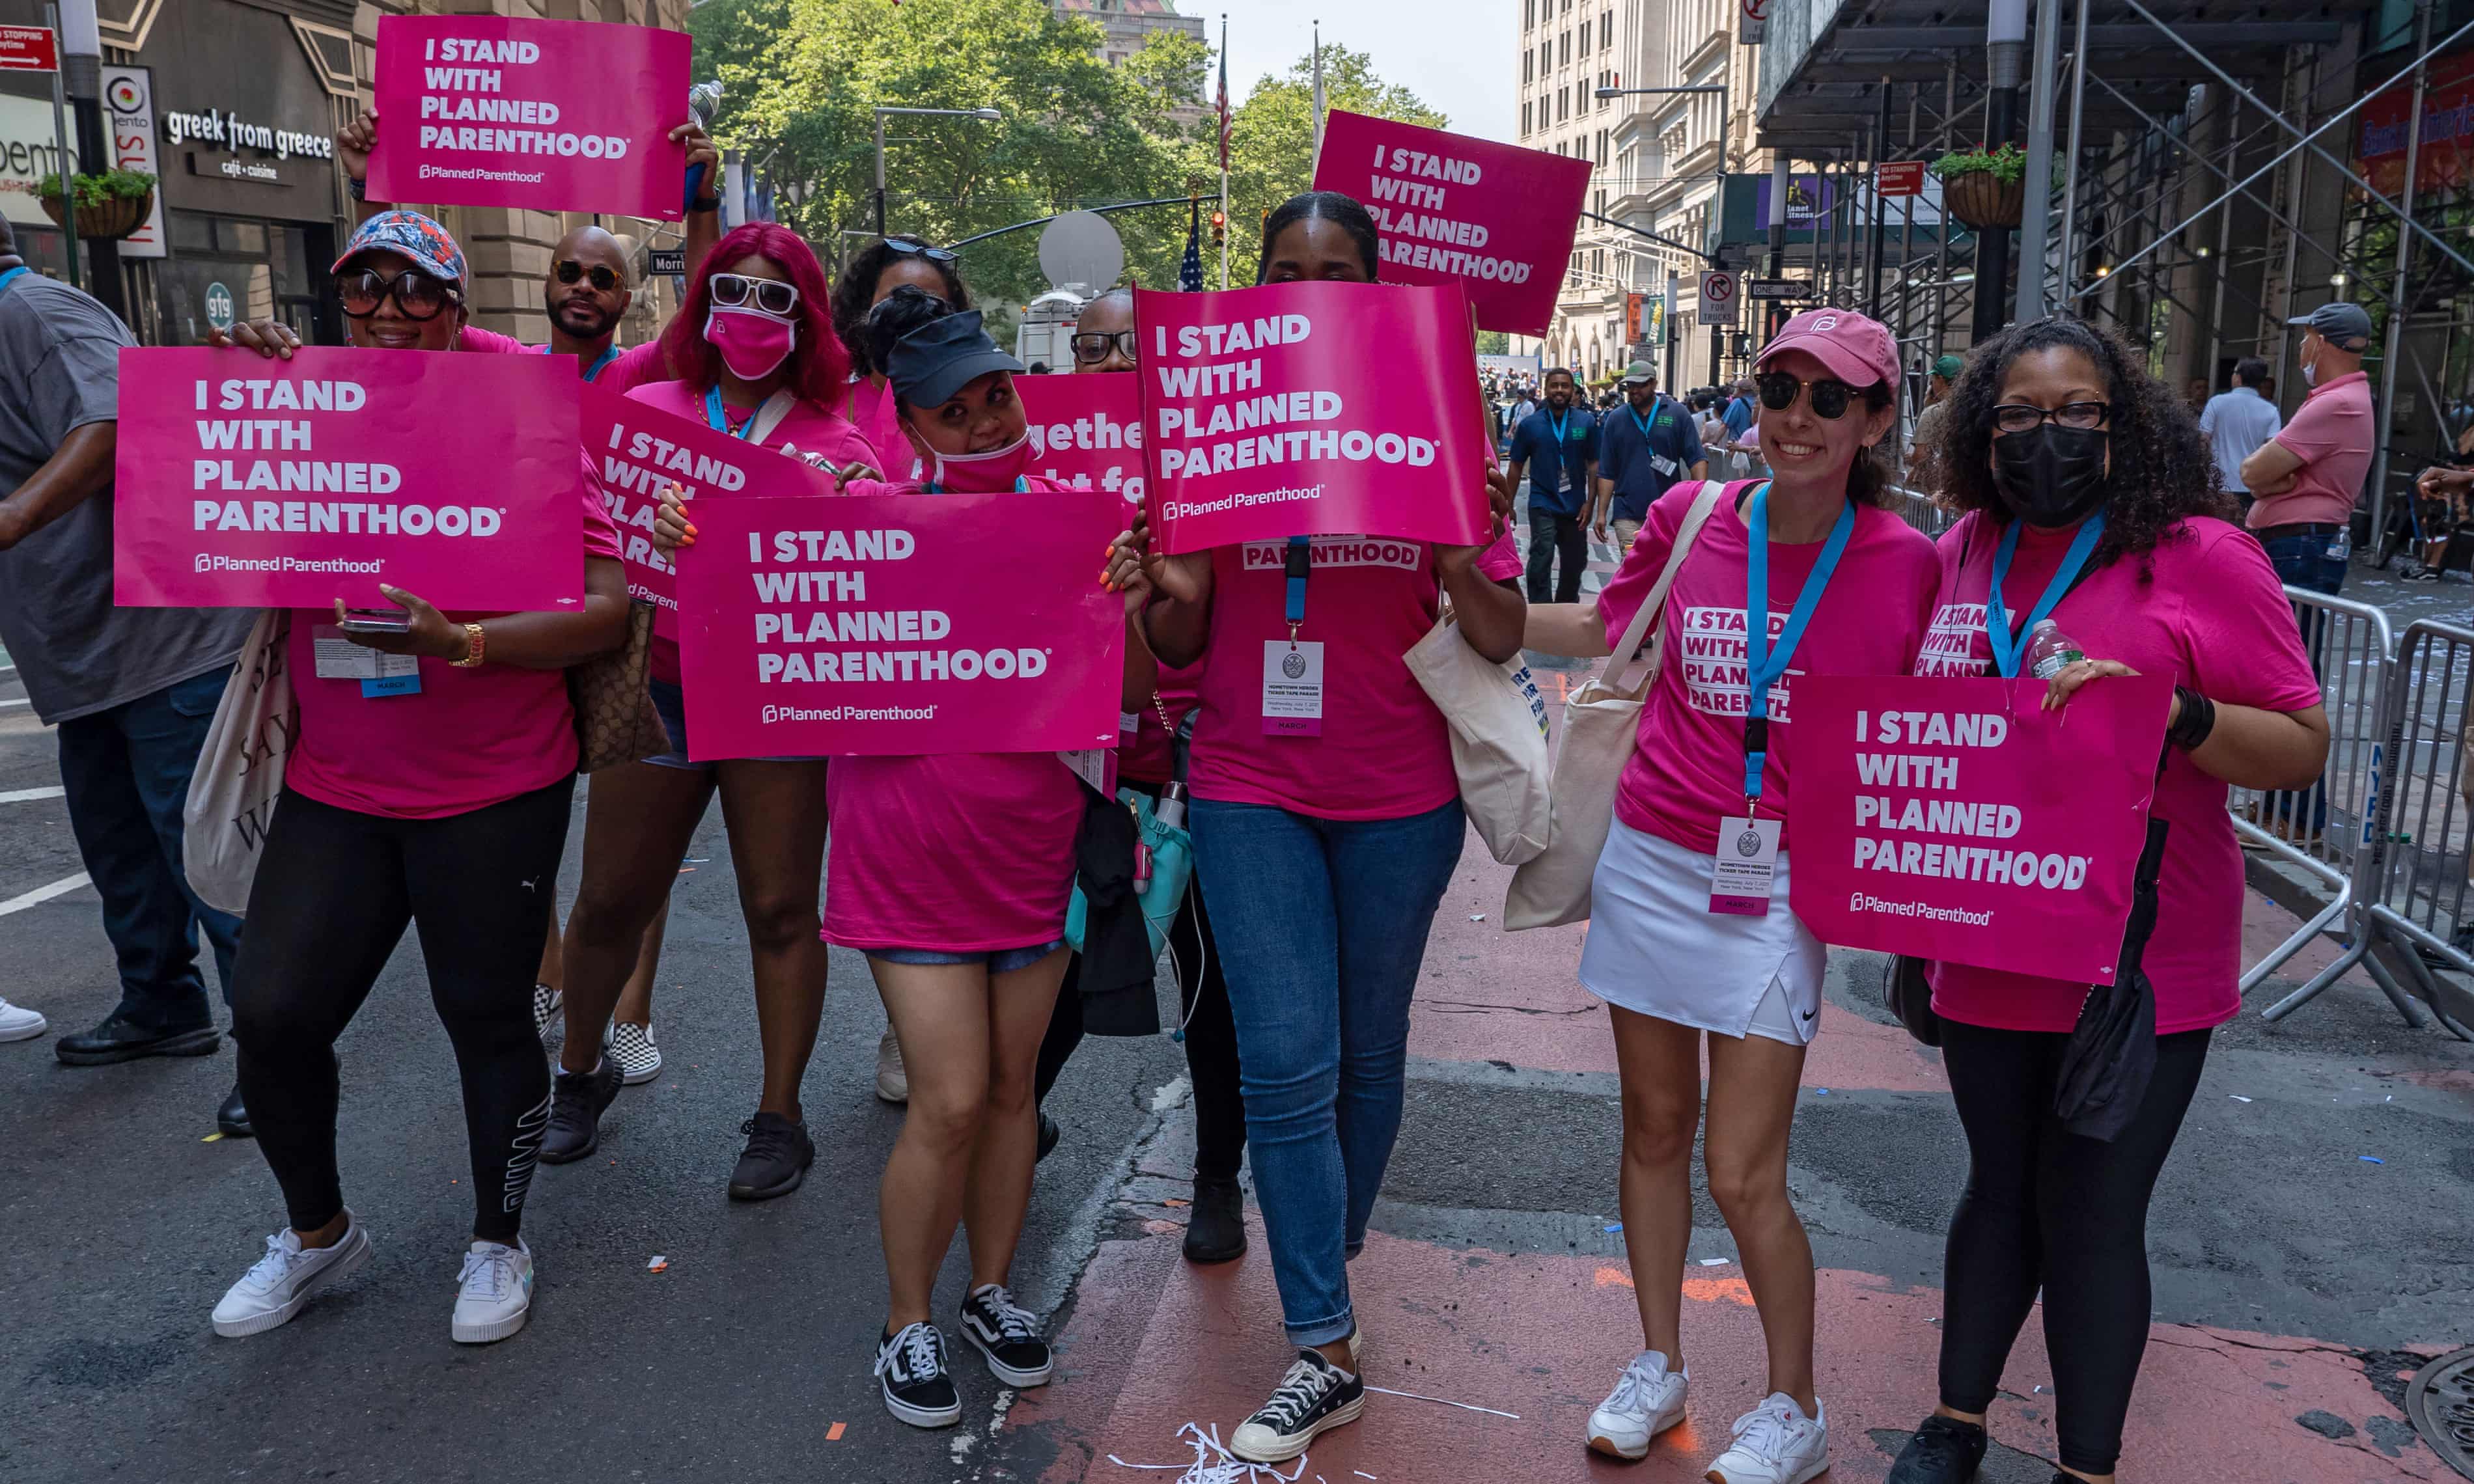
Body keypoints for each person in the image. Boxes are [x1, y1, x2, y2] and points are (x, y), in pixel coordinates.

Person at [661, 285, 1157, 1429]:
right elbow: (757, 628)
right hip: (907, 862)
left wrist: (1124, 602)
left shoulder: (1076, 522)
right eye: (959, 410)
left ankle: (988, 1291)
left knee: (1011, 1092)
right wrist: (703, 553)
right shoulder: (860, 519)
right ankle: (905, 1321)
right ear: (912, 422)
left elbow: (1131, 703)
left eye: (998, 398)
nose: (988, 423)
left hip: (1035, 856)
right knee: (946, 1098)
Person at [1883, 315, 2328, 1484]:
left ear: (2124, 427)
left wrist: (2177, 716)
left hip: (2142, 955)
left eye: (2078, 412)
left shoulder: (2203, 556)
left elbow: (2299, 744)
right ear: (1982, 433)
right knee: (1997, 1184)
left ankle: (2088, 1463)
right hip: (1985, 935)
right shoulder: (1960, 552)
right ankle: (1957, 1421)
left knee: (2089, 1205)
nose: (2049, 438)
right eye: (2020, 416)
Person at [1139, 190, 1527, 1464]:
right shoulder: (1208, 420)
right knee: (1286, 1059)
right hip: (1249, 781)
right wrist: (1178, 591)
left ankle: (1323, 1255)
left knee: (1367, 1057)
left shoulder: (1435, 416)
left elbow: (1499, 635)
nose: (1311, 284)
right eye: (1288, 267)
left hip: (1401, 800)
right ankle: (1324, 1342)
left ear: (1375, 287)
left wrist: (1466, 549)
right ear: (1259, 286)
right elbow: (1176, 640)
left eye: (1337, 268)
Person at [1526, 307, 1938, 1483]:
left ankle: (1794, 1410)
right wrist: (1478, 611)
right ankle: (1659, 1365)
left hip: (1781, 886)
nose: (1796, 419)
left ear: (1874, 419)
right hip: (1653, 855)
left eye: (1828, 398)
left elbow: (1960, 717)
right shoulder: (1694, 515)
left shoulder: (1909, 563)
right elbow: (1607, 628)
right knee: (1653, 1129)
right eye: (1779, 389)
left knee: (1744, 1169)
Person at [202, 212, 630, 1344]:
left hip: (495, 779)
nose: (390, 308)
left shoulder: (518, 405)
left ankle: (498, 1239)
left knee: (484, 1013)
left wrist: (466, 645)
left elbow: (606, 608)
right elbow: (200, 512)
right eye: (365, 288)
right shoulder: (304, 390)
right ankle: (317, 1235)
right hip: (337, 780)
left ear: (461, 303)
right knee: (273, 1013)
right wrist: (220, 403)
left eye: (420, 290)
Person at [540, 224, 874, 1195]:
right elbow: (587, 528)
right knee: (608, 900)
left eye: (779, 300)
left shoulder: (838, 443)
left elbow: (866, 576)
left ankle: (780, 1117)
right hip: (663, 686)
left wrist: (858, 509)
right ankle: (579, 1071)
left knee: (779, 908)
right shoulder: (644, 411)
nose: (754, 315)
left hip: (777, 702)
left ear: (805, 319)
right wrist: (640, 527)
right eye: (736, 291)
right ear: (705, 303)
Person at [0, 216, 256, 1124]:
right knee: (121, 852)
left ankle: (271, 1057)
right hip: (87, 656)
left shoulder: (33, 309)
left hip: (164, 644)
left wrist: (13, 517)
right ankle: (161, 1004)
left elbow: (111, 419)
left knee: (207, 857)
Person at [1034, 286, 1252, 1265]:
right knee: (1079, 964)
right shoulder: (1039, 463)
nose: (1109, 363)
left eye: (1130, 348)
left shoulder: (1221, 455)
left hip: (1209, 749)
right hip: (1092, 757)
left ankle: (1215, 1181)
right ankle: (1008, 1123)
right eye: (1093, 346)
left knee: (1212, 986)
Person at [2239, 301, 2374, 598]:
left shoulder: (2336, 403)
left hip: (2299, 545)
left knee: (2290, 639)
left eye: (2306, 337)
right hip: (2301, 543)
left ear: (2321, 343)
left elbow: (2252, 472)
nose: (2302, 346)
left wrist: (2272, 481)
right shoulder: (2344, 398)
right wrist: (2276, 482)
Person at [829, 234, 973, 484]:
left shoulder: (978, 412)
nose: (910, 313)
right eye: (894, 300)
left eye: (931, 303)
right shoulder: (826, 410)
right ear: (862, 311)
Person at [1505, 367, 1598, 602]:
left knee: (1576, 562)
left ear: (1572, 390)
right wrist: (1508, 503)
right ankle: (1541, 613)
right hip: (1542, 502)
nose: (1559, 390)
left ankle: (1565, 609)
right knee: (1541, 556)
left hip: (1575, 507)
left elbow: (1595, 464)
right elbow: (1516, 465)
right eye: (1554, 385)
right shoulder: (1530, 425)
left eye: (1564, 386)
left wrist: (1591, 503)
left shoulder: (1586, 422)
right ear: (1546, 390)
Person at [1592, 361, 1706, 554]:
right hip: (1627, 512)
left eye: (1640, 385)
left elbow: (1696, 458)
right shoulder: (1616, 419)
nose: (1634, 391)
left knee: (1664, 570)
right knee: (1632, 569)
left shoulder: (1677, 413)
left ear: (1654, 383)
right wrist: (1601, 513)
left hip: (1669, 511)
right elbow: (1607, 471)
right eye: (1630, 386)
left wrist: (1701, 502)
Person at [2197, 355, 2281, 507]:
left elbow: (2203, 441)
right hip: (2251, 486)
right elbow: (2273, 451)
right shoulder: (2271, 411)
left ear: (2238, 377)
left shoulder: (2216, 403)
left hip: (2217, 484)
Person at [1909, 352, 1964, 458]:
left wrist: (1910, 459)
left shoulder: (1933, 412)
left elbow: (1920, 456)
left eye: (1933, 379)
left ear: (1941, 379)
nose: (1931, 383)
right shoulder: (1971, 407)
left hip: (1942, 473)